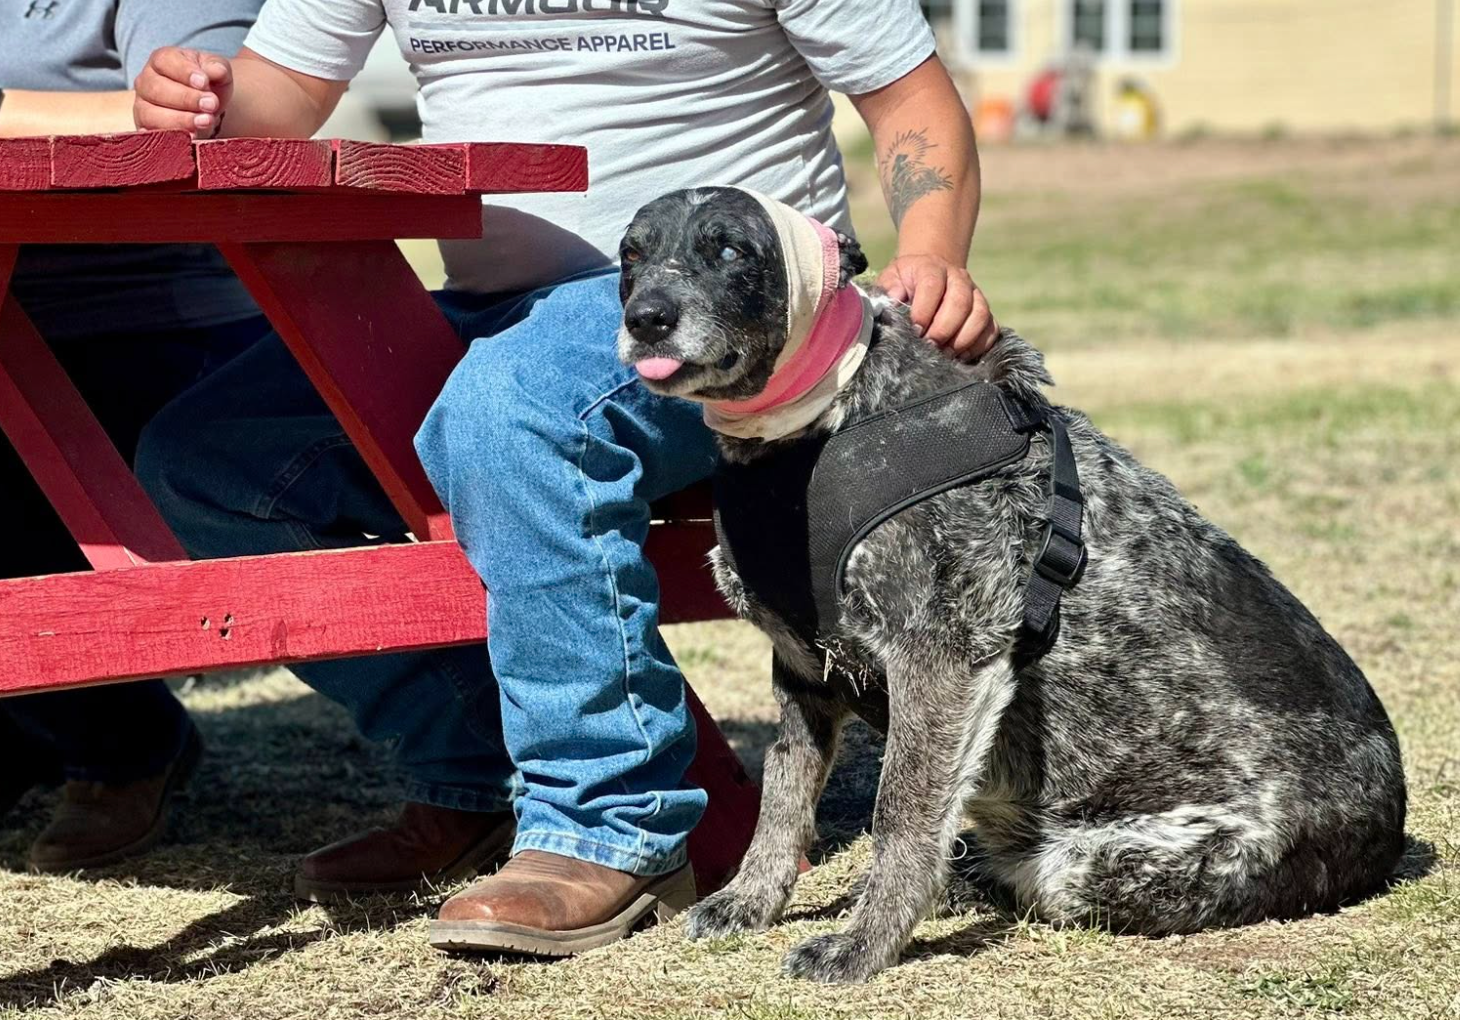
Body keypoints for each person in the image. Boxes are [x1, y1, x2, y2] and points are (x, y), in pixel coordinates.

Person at [131, 0, 999, 954]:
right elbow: (274, 99)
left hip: (737, 316)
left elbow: (913, 100)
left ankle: (611, 823)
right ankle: (471, 763)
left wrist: (931, 256)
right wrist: (195, 98)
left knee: (513, 411)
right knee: (212, 458)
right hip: (489, 308)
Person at [0, 0, 269, 871]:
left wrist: (145, 109)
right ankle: (38, 725)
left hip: (148, 324)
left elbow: (213, 110)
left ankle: (117, 741)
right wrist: (119, 109)